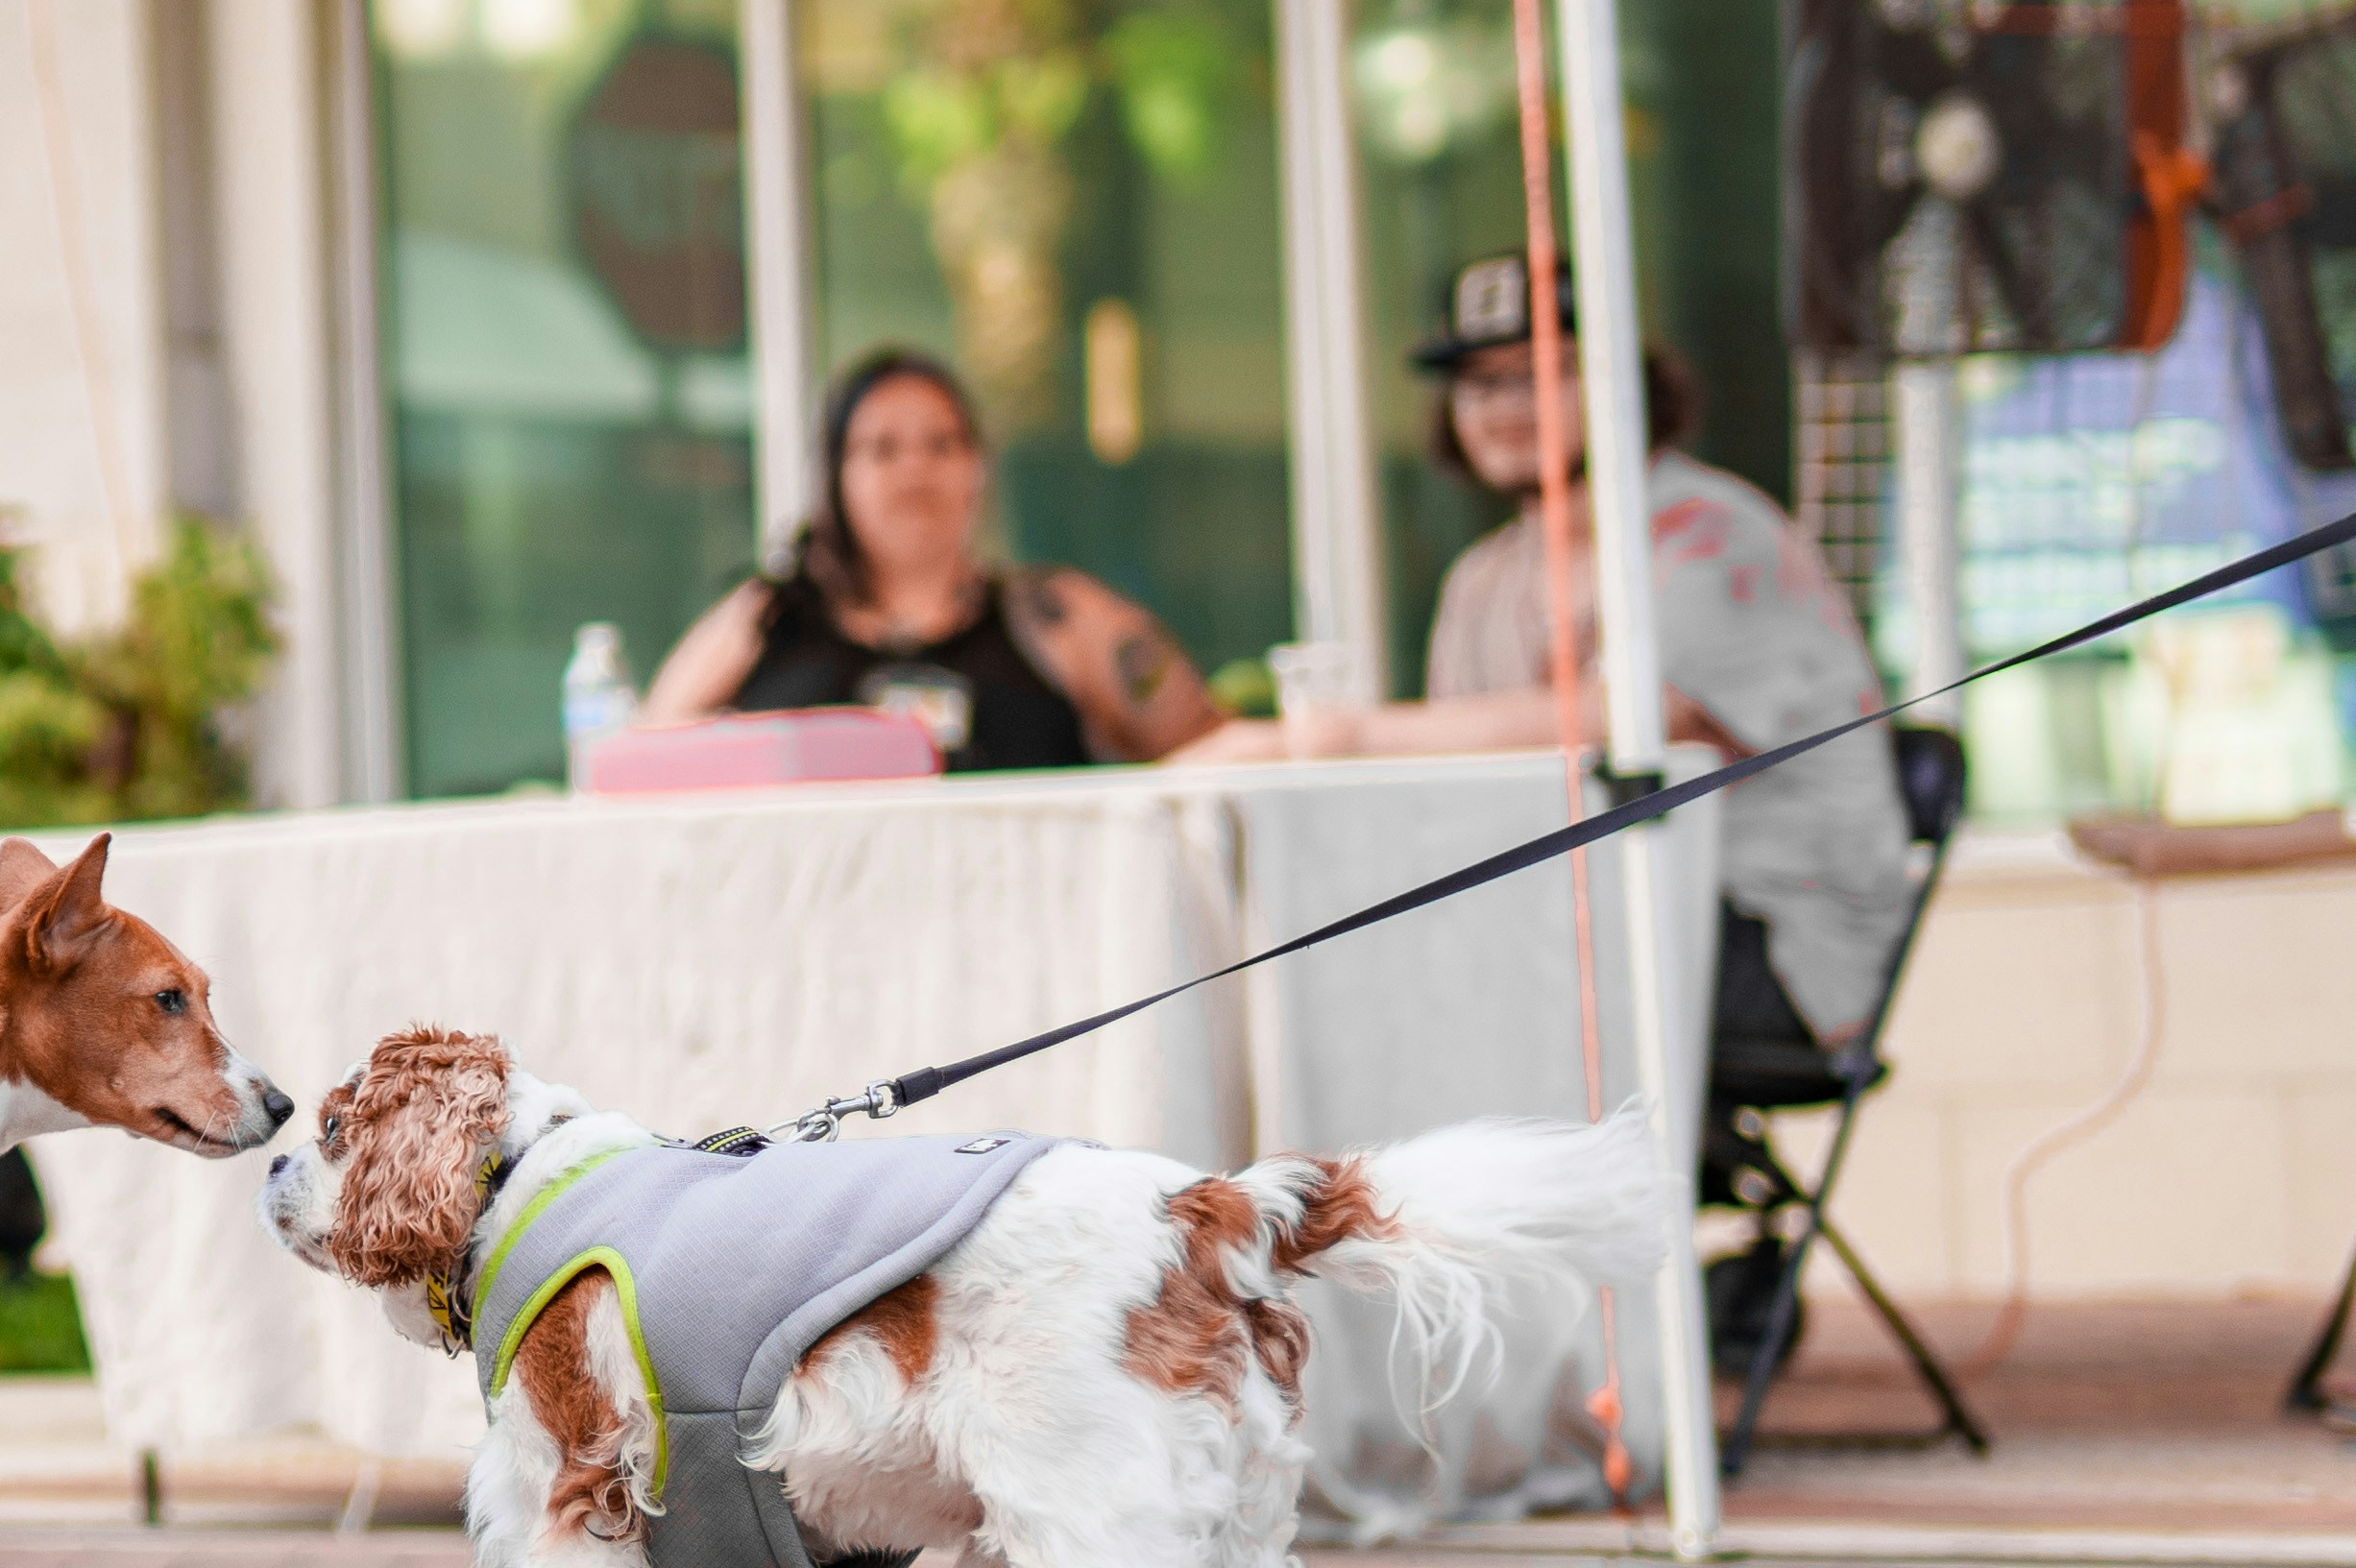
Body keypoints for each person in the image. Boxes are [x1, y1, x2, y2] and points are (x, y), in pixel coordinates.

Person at [1177, 253, 1919, 1052]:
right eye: (1479, 382)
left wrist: (1333, 737)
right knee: (1318, 968)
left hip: (1773, 943)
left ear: (1623, 382)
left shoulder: (1711, 530)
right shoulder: (1483, 577)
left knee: (1407, 1003)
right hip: (1588, 920)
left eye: (1545, 371)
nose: (1505, 406)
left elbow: (1646, 722)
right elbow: (1454, 794)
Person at [641, 347, 1226, 770]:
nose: (915, 469)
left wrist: (1304, 734)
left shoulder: (1057, 616)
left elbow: (1206, 745)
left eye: (941, 444)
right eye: (883, 449)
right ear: (836, 476)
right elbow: (641, 762)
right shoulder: (764, 617)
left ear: (978, 469)